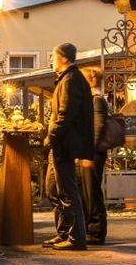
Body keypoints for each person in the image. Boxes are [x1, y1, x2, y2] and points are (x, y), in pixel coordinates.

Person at [42, 42, 92, 251]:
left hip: (65, 144)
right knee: (53, 188)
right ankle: (63, 233)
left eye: (53, 56)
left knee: (67, 191)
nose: (51, 60)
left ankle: (76, 238)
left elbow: (66, 114)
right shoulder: (66, 79)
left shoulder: (71, 80)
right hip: (61, 143)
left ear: (63, 58)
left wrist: (51, 136)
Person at [81, 65, 110, 246]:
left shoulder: (97, 100)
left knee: (93, 192)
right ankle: (90, 228)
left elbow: (97, 129)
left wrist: (88, 154)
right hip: (89, 153)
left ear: (91, 80)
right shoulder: (91, 100)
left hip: (94, 154)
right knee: (87, 191)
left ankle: (97, 231)